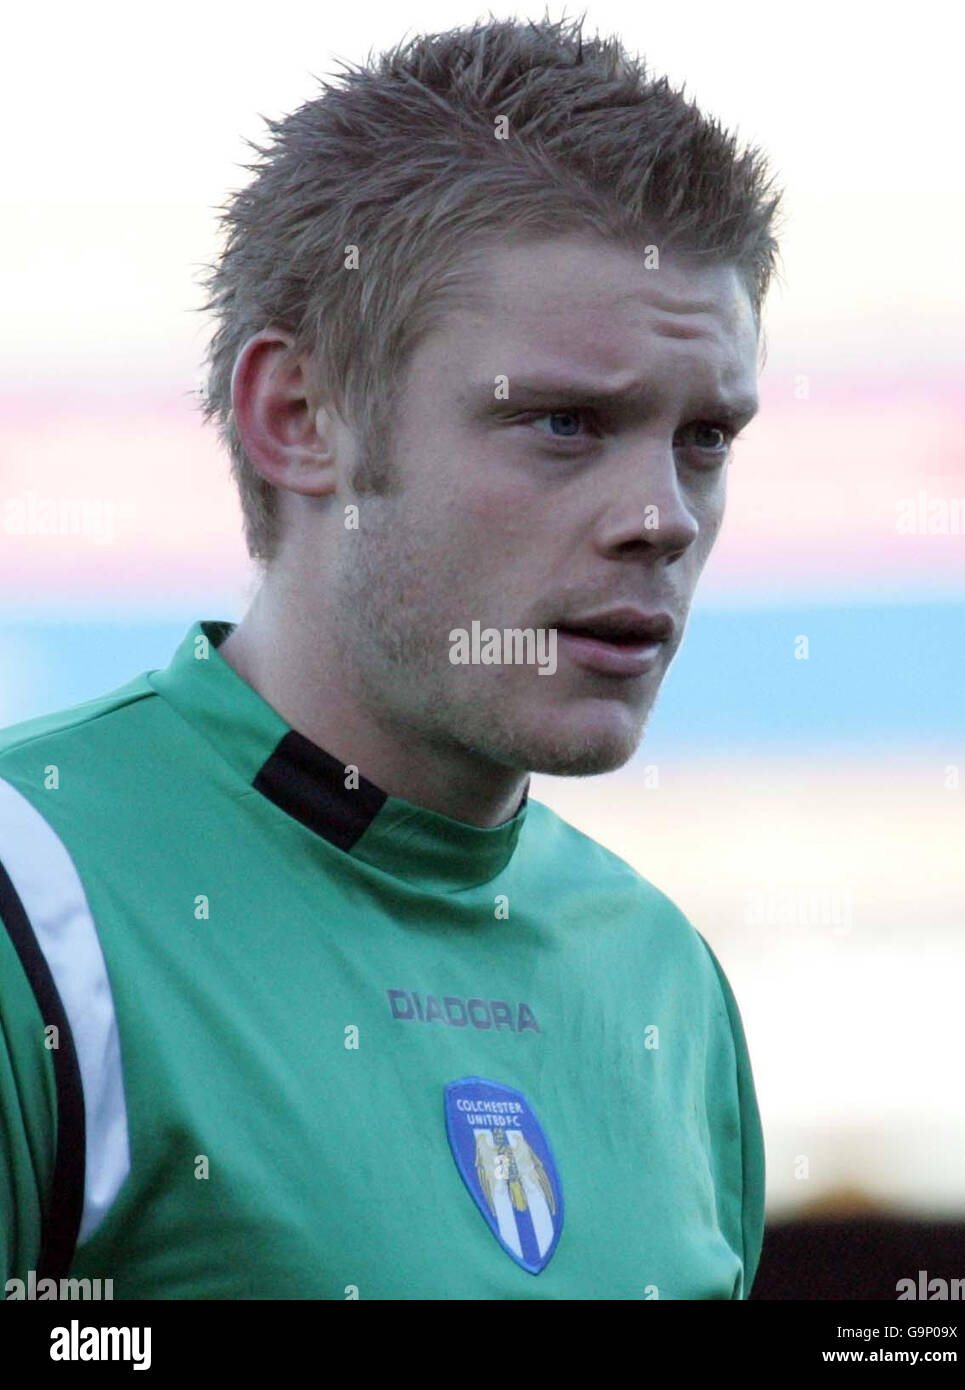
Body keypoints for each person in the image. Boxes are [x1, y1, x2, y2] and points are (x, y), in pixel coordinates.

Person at [0, 14, 782, 1299]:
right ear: (299, 419)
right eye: (563, 422)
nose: (663, 516)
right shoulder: (34, 898)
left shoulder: (661, 978)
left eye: (704, 437)